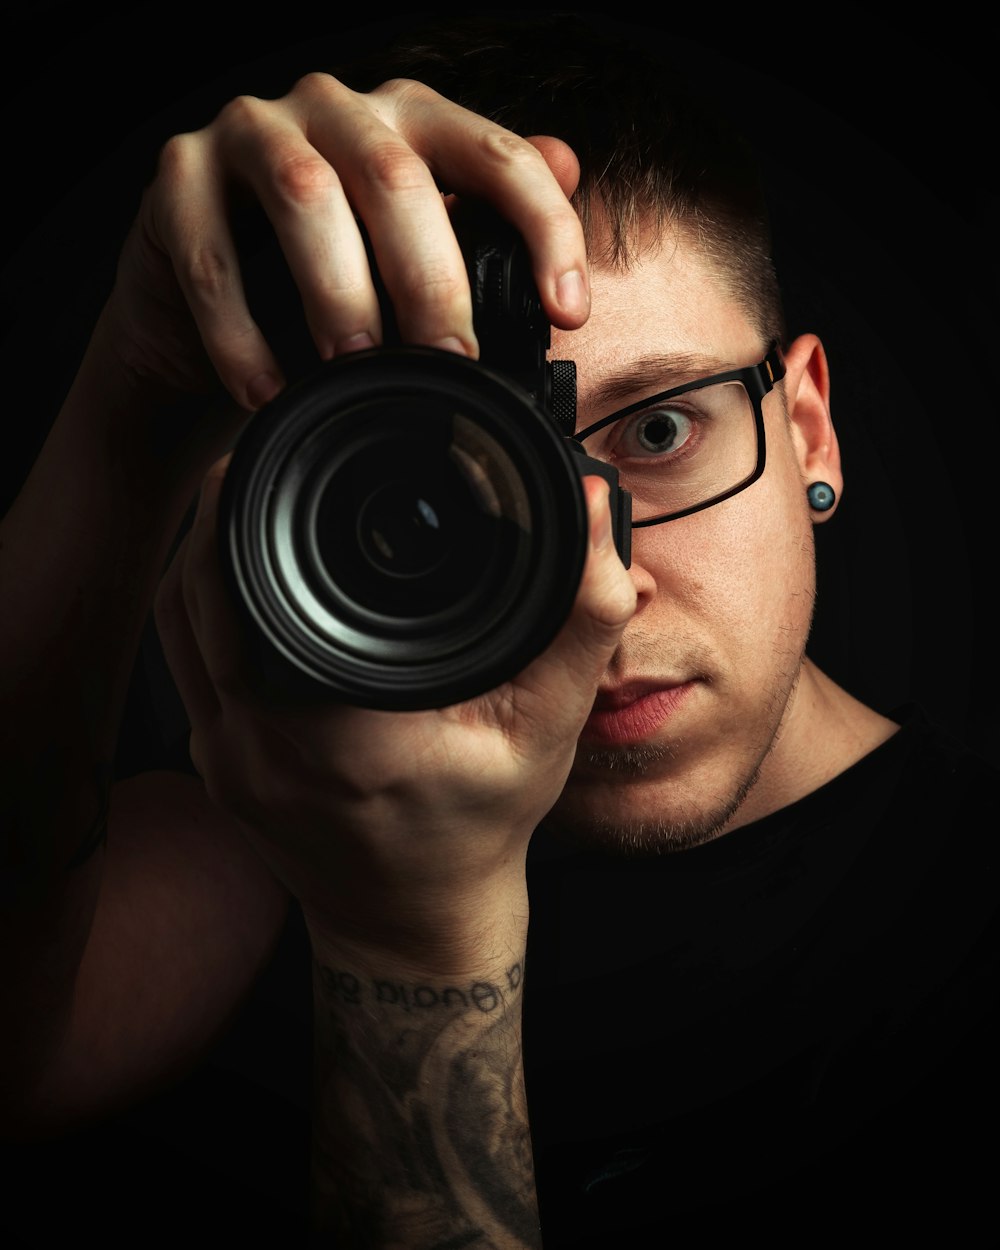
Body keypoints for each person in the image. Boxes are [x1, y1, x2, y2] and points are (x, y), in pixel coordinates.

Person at [2, 11, 997, 1247]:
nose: (602, 589)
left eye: (658, 431)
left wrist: (407, 939)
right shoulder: (286, 830)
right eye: (463, 479)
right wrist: (127, 404)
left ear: (807, 430)